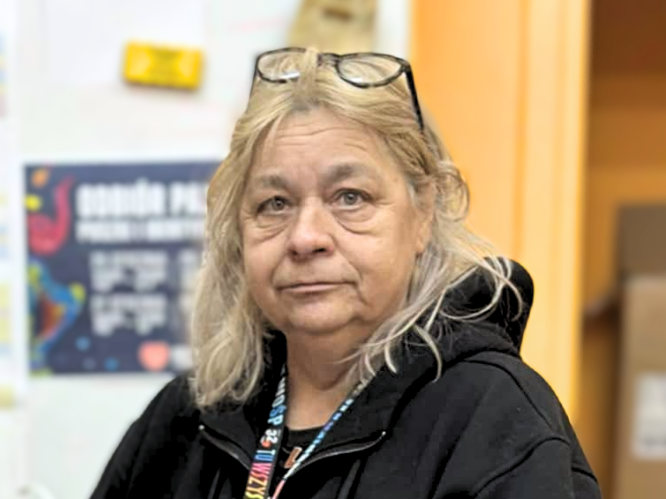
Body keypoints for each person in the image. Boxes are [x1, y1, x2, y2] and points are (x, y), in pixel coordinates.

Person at [90, 47, 602, 499]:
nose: (305, 237)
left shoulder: (493, 418)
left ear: (423, 214)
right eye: (274, 203)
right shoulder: (189, 418)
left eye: (350, 197)